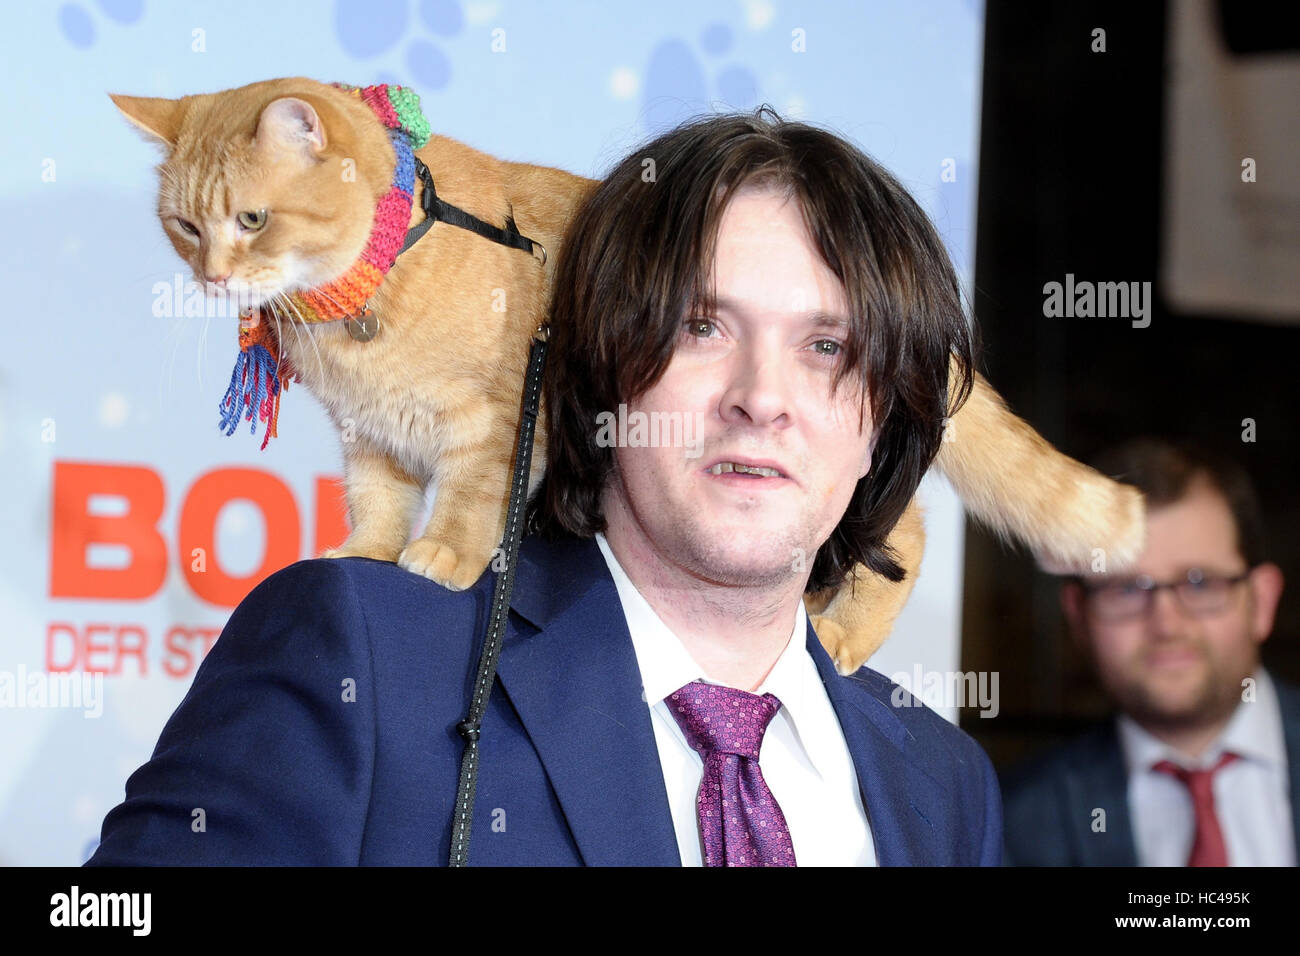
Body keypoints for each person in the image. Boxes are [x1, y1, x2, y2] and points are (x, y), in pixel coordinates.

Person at [86, 107, 1001, 866]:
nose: (761, 399)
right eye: (703, 328)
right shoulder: (356, 654)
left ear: (885, 414)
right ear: (601, 355)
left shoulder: (946, 783)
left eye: (827, 347)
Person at [1001, 438, 1295, 866]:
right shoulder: (1016, 822)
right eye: (1126, 589)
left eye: (1199, 583)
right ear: (1078, 616)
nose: (1167, 624)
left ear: (1262, 603)